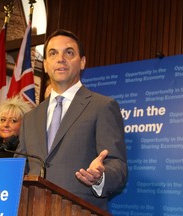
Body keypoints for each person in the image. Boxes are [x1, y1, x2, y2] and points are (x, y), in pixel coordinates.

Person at [14, 29, 127, 211]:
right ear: (45, 64)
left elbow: (118, 166)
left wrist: (100, 177)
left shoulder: (103, 106)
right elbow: (20, 167)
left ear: (82, 62)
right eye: (53, 53)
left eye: (69, 52)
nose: (60, 59)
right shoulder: (30, 117)